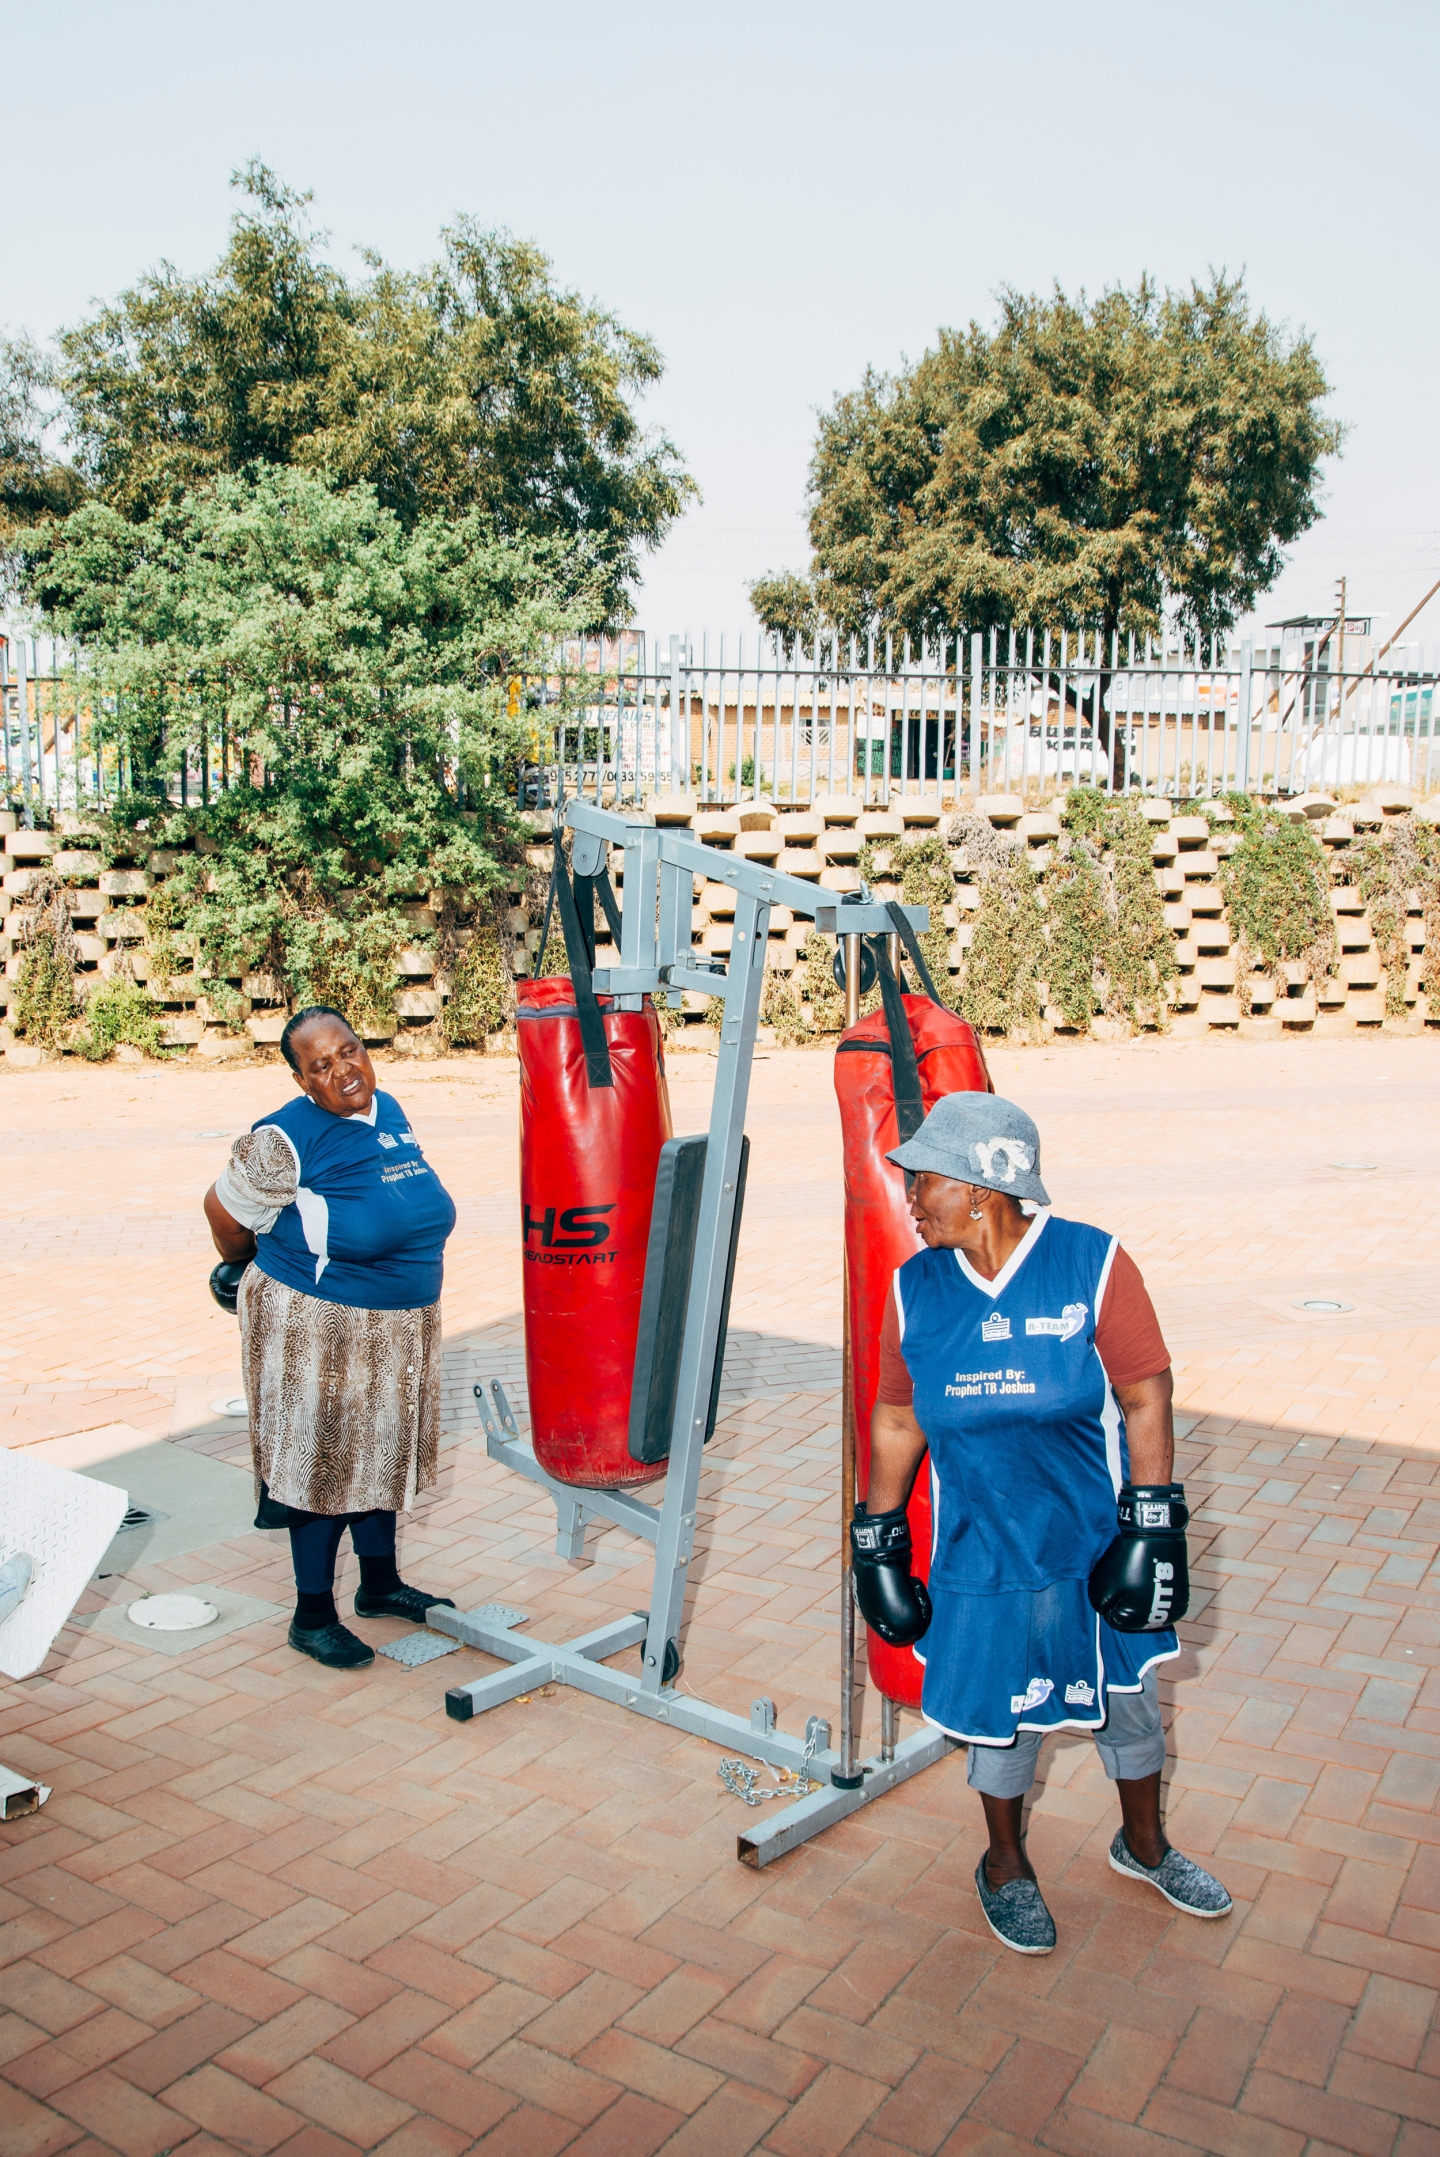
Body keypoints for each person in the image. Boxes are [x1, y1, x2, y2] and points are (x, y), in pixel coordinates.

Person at [851, 1092, 1230, 1955]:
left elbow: (1145, 1393)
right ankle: (1005, 1863)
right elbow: (898, 1420)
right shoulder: (917, 1288)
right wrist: (875, 1535)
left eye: (926, 1179)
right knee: (1000, 1722)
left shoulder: (1090, 1264)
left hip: (1090, 1544)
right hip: (980, 1551)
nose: (909, 1194)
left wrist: (1153, 1521)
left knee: (1129, 1709)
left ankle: (1144, 1844)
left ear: (985, 1186)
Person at [203, 1006, 459, 1670]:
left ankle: (380, 1585)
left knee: (381, 1451)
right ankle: (312, 1615)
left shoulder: (389, 1109)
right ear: (301, 1079)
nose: (343, 1069)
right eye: (321, 1065)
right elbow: (225, 1212)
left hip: (399, 1322)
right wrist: (241, 1263)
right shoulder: (284, 1137)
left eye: (350, 1050)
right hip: (320, 1324)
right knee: (321, 1468)